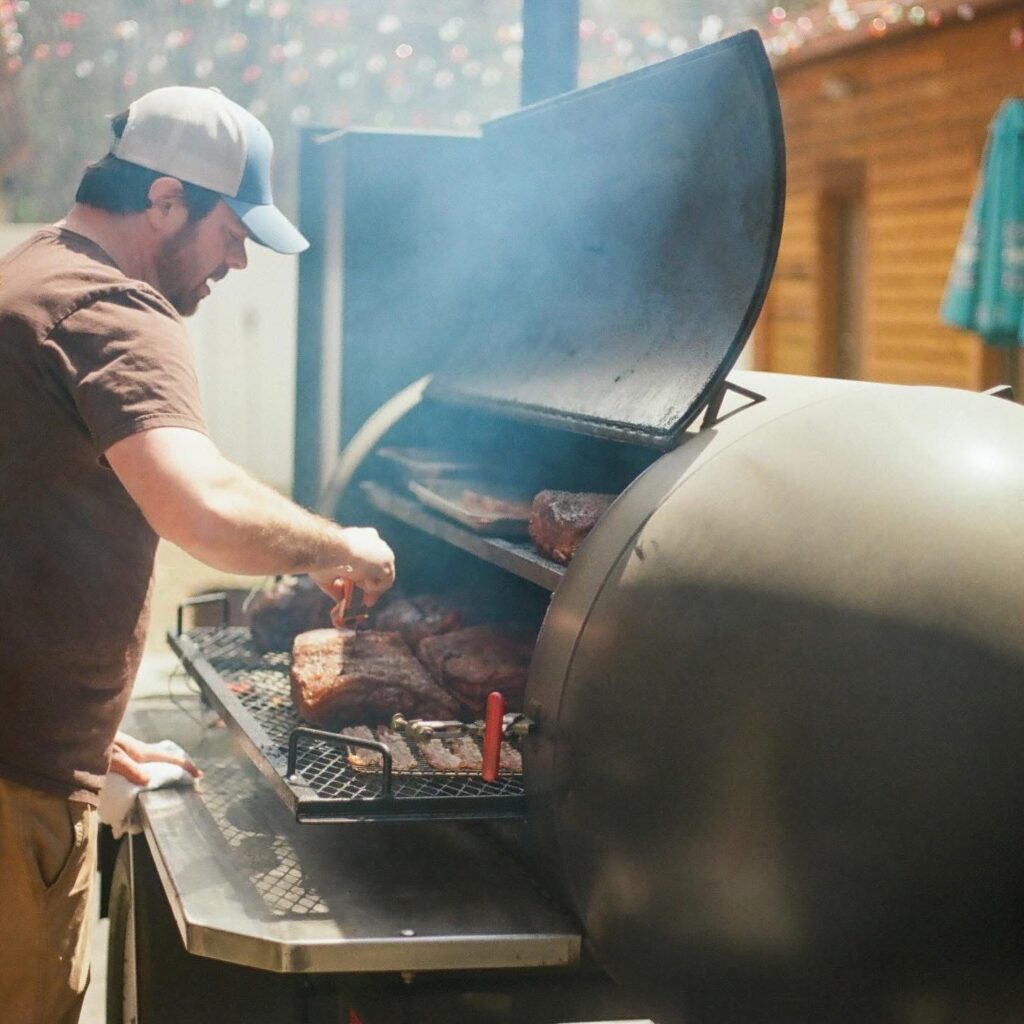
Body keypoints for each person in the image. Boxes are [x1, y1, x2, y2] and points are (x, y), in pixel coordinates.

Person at [0, 85, 395, 1023]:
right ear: (166, 199)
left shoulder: (30, 278)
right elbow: (204, 509)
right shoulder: (115, 308)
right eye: (232, 228)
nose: (240, 257)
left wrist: (82, 737)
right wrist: (343, 550)